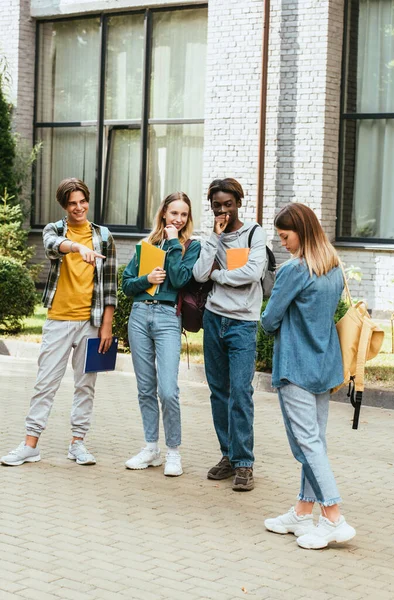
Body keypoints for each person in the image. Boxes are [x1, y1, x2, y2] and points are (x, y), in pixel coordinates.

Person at [1, 178, 117, 467]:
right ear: (64, 206)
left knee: (85, 385)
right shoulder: (54, 229)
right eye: (72, 203)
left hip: (90, 322)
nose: (78, 208)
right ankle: (30, 445)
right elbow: (54, 246)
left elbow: (111, 286)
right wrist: (78, 248)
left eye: (82, 201)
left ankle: (78, 443)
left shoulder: (104, 236)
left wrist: (107, 325)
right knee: (45, 383)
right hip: (58, 319)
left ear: (88, 201)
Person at [261, 202, 356, 549]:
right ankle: (302, 512)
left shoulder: (294, 270)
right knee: (315, 441)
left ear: (301, 231)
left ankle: (333, 517)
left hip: (296, 367)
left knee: (308, 444)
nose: (282, 243)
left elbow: (269, 320)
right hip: (324, 365)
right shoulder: (331, 266)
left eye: (285, 236)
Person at [193, 178, 266, 491]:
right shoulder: (213, 238)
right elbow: (198, 273)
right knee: (218, 392)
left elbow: (253, 272)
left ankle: (245, 463)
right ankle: (228, 456)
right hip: (214, 319)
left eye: (228, 204)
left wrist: (220, 275)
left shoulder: (253, 233)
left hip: (242, 324)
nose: (222, 210)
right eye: (216, 205)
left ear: (238, 203)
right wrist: (213, 238)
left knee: (240, 391)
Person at [122, 192, 200, 477]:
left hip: (168, 318)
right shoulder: (146, 245)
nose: (178, 219)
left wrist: (172, 244)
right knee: (145, 388)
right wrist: (147, 279)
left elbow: (180, 279)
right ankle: (151, 448)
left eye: (183, 215)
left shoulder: (191, 247)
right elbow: (127, 284)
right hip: (140, 315)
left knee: (168, 390)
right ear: (164, 214)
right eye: (174, 213)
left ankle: (173, 451)